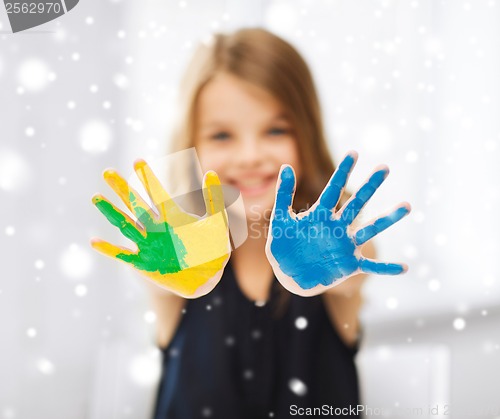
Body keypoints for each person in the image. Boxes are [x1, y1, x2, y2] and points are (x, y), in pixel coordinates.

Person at [148, 28, 376, 418]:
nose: (250, 156)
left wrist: (337, 261)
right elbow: (149, 279)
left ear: (306, 132)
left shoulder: (334, 246)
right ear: (192, 144)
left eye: (275, 130)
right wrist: (168, 262)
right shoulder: (177, 258)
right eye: (222, 135)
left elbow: (356, 267)